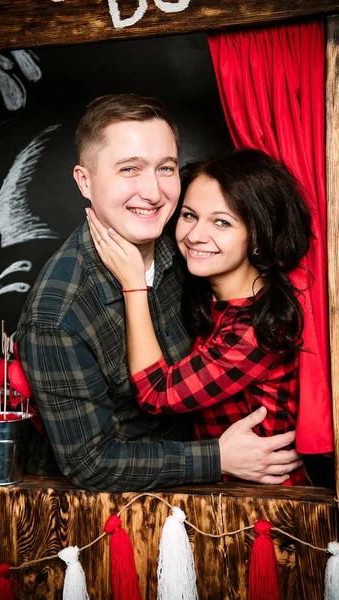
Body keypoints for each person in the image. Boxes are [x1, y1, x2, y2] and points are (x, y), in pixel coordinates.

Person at [15, 93, 302, 491]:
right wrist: (218, 457)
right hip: (122, 517)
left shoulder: (189, 246)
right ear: (85, 180)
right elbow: (92, 464)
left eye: (165, 168)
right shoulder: (58, 314)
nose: (152, 192)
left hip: (239, 497)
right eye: (129, 169)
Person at [87, 148, 312, 486]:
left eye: (221, 222)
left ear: (258, 234)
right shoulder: (210, 296)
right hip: (221, 499)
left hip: (268, 508)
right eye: (190, 215)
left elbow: (156, 394)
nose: (195, 235)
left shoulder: (259, 328)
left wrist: (133, 285)